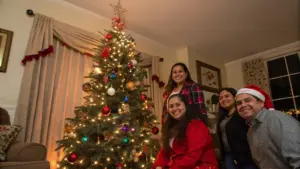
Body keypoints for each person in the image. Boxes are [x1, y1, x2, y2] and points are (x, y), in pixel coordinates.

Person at [235, 84, 300, 169]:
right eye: (239, 103)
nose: (243, 105)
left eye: (247, 100)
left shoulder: (277, 120)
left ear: (261, 103)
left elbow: (297, 159)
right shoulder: (250, 131)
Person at [152, 94, 218, 169]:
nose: (174, 108)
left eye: (178, 105)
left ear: (186, 106)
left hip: (201, 165)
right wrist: (158, 165)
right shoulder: (171, 127)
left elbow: (192, 156)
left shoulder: (197, 125)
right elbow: (164, 151)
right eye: (171, 106)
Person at [218, 88, 257, 169]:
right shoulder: (222, 118)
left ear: (235, 97)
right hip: (229, 155)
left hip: (245, 157)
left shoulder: (244, 114)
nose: (224, 99)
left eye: (227, 96)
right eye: (221, 98)